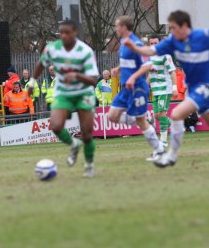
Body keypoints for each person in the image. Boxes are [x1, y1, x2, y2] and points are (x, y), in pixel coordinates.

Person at [124, 10, 209, 167]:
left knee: (176, 114)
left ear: (184, 25)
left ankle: (171, 156)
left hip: (206, 85)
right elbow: (150, 51)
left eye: (173, 27)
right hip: (193, 87)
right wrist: (134, 48)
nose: (171, 31)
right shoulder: (173, 41)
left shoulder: (204, 36)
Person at [29, 20, 99, 178]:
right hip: (63, 93)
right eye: (61, 32)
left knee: (87, 134)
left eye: (67, 32)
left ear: (75, 33)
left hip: (84, 93)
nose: (64, 36)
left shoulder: (85, 51)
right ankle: (74, 144)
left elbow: (94, 79)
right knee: (55, 126)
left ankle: (89, 165)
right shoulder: (53, 48)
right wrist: (32, 82)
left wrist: (76, 75)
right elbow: (41, 63)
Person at [107, 16, 165, 162]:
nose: (115, 29)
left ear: (124, 27)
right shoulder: (123, 42)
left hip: (137, 88)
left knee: (140, 122)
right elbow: (130, 62)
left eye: (117, 26)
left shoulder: (136, 43)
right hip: (126, 88)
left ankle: (159, 150)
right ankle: (147, 120)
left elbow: (148, 65)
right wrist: (118, 68)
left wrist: (133, 77)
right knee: (112, 116)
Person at [148, 34, 178, 146]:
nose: (153, 45)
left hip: (165, 89)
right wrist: (144, 86)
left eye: (156, 43)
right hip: (155, 91)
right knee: (156, 115)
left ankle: (164, 140)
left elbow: (173, 72)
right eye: (151, 43)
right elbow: (149, 75)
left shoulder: (166, 56)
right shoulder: (149, 57)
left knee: (161, 114)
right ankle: (172, 124)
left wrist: (175, 88)